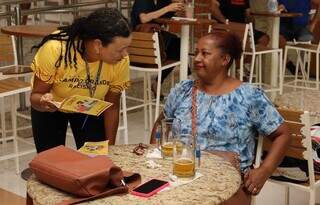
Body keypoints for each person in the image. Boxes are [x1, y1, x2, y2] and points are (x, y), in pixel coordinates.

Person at [151, 31, 290, 204]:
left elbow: (282, 134)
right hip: (179, 179)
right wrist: (154, 160)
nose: (197, 59)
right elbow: (161, 125)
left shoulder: (248, 96)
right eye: (196, 53)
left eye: (205, 53)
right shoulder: (183, 90)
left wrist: (265, 170)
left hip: (227, 187)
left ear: (225, 60)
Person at [30, 8, 131, 153]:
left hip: (90, 108)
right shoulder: (56, 49)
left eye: (127, 48)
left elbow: (112, 107)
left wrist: (109, 150)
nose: (124, 55)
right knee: (52, 162)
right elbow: (35, 97)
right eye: (119, 49)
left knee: (95, 163)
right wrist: (43, 102)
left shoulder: (120, 60)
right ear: (98, 45)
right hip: (53, 108)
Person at [131, 0, 191, 98]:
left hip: (151, 47)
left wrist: (182, 8)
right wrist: (168, 8)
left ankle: (159, 82)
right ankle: (188, 80)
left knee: (177, 45)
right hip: (142, 47)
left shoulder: (161, 3)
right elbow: (144, 18)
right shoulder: (143, 1)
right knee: (177, 45)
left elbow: (183, 19)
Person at [278, 0, 320, 73]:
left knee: (307, 37)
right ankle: (289, 64)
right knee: (276, 38)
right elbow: (272, 7)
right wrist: (278, 8)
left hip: (301, 28)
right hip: (284, 27)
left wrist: (313, 23)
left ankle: (303, 67)